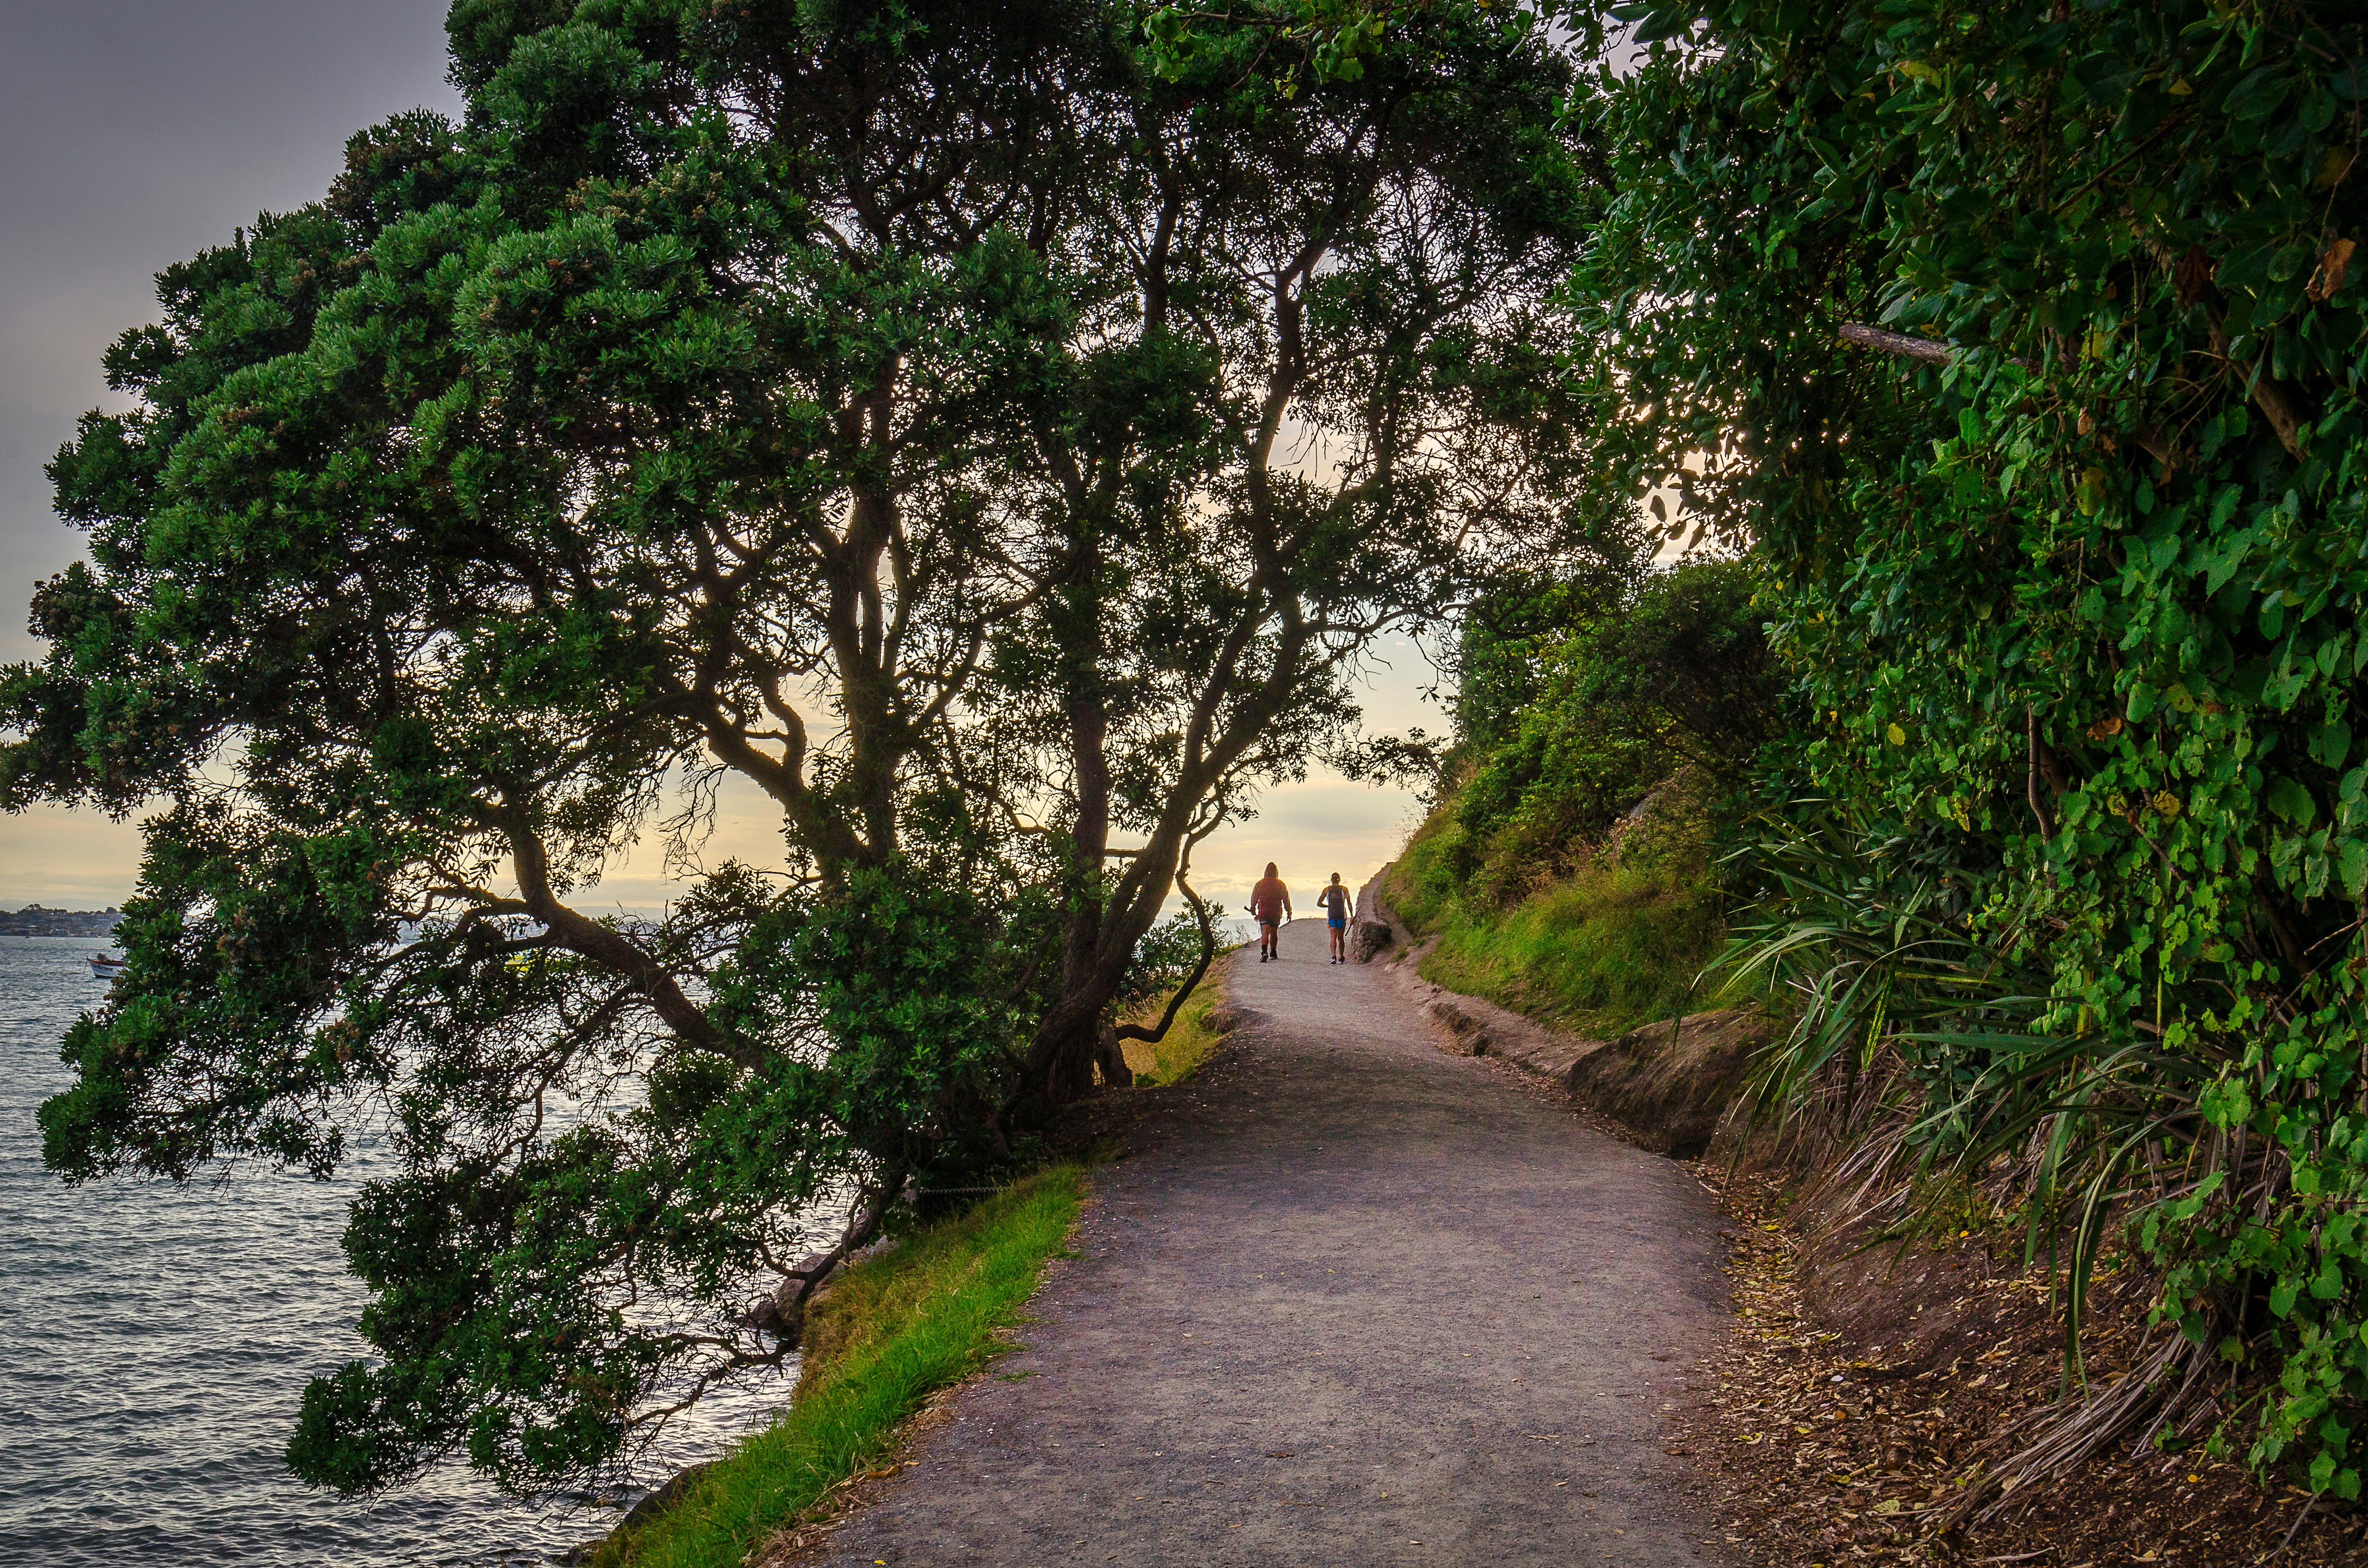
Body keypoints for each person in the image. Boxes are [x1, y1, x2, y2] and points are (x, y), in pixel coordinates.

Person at [1250, 862, 1291, 962]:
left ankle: (1264, 952)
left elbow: (1254, 898)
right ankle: (1273, 952)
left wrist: (1253, 908)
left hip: (1264, 912)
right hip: (1276, 912)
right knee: (1274, 933)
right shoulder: (1281, 884)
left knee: (1265, 933)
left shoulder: (1259, 884)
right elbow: (1286, 899)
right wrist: (1289, 912)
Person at [1317, 872, 1352, 964]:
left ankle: (1333, 957)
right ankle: (1341, 957)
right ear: (1339, 880)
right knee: (1341, 938)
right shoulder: (1344, 889)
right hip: (1342, 915)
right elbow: (1349, 903)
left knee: (1333, 937)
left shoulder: (1327, 890)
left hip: (1331, 915)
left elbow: (1319, 904)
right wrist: (1352, 916)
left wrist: (1328, 906)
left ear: (1331, 880)